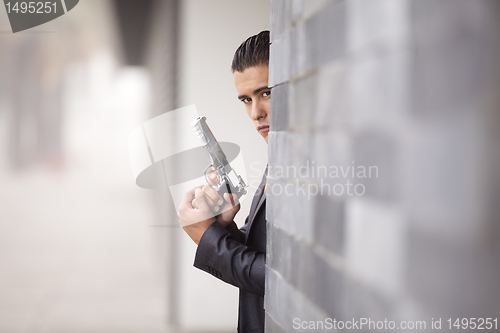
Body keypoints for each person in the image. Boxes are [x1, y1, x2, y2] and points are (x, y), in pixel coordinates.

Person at [177, 30, 270, 333]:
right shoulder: (281, 158)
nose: (256, 113)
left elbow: (284, 280)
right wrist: (223, 227)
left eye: (266, 93)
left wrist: (207, 239)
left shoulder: (312, 167)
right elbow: (266, 252)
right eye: (246, 99)